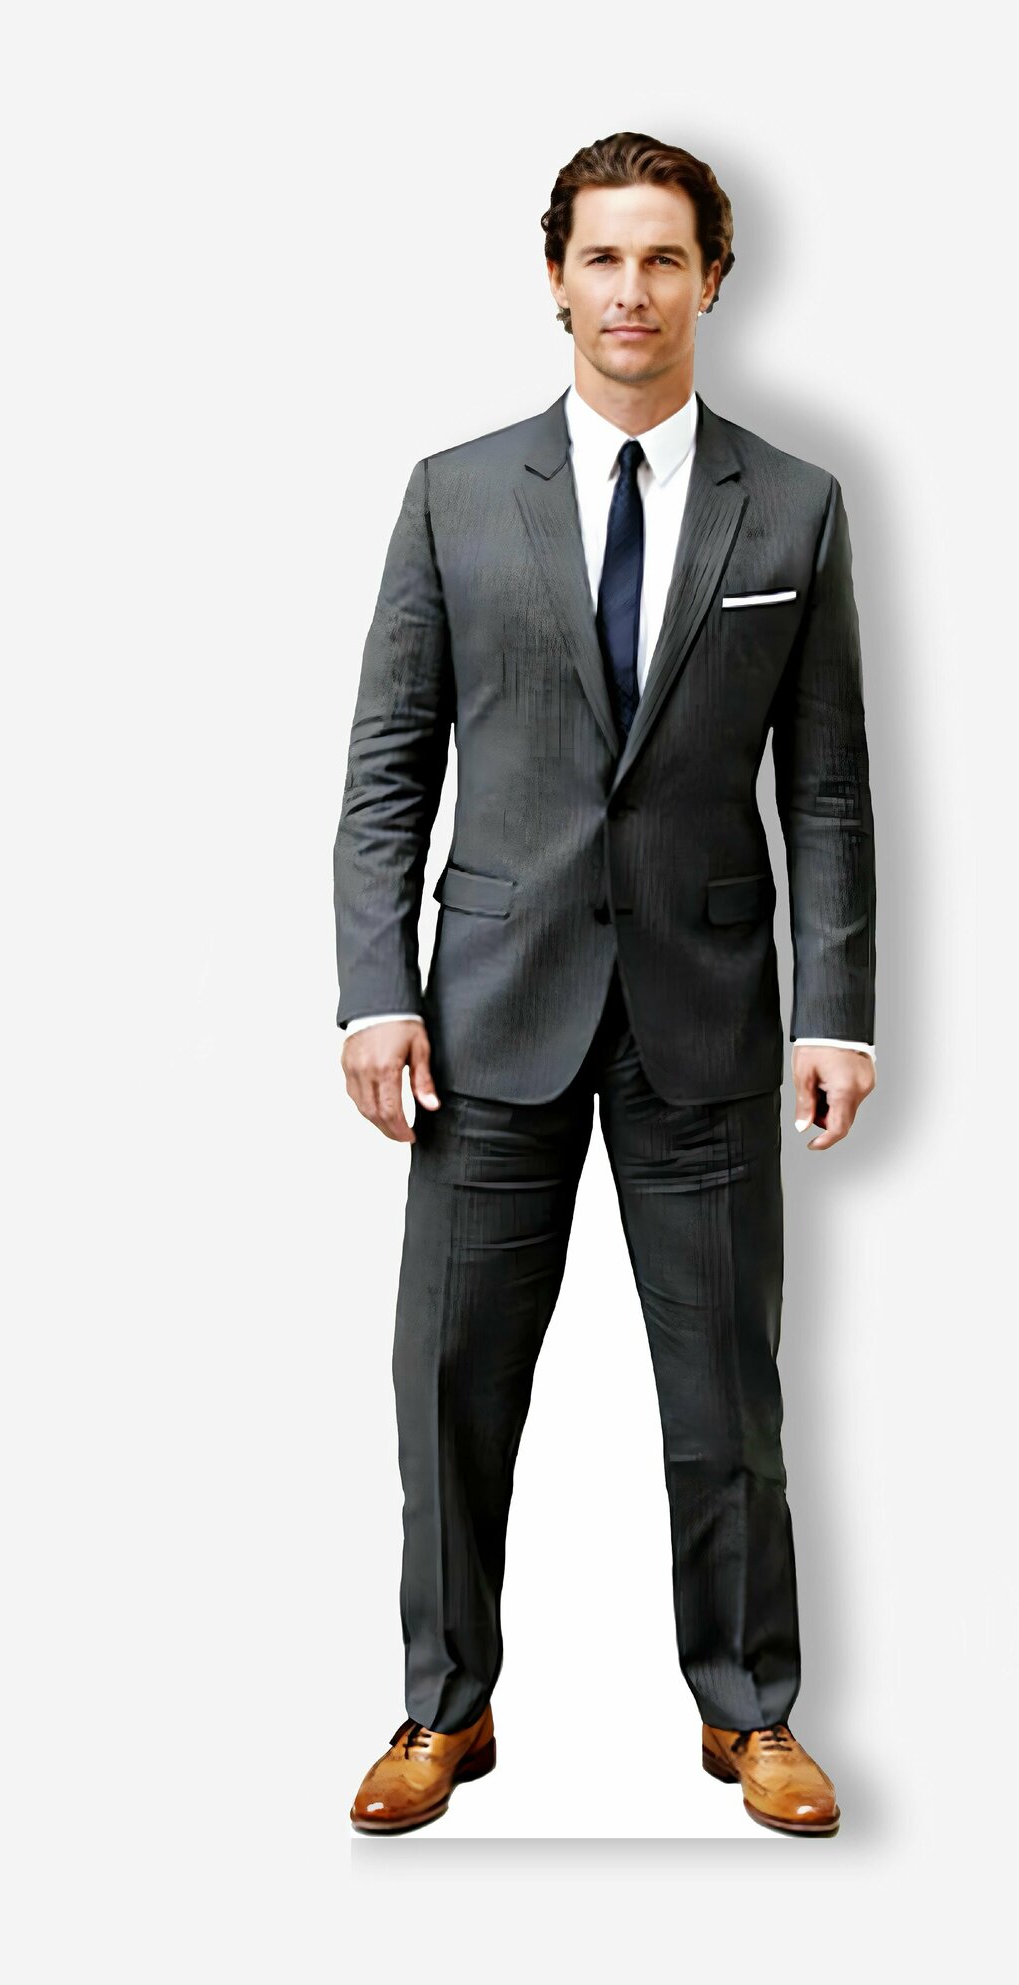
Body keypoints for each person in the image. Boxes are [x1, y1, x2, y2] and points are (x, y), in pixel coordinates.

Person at [333, 131, 877, 1837]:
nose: (630, 291)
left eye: (662, 259)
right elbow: (389, 764)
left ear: (713, 278)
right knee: (451, 1384)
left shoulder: (794, 504)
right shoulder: (453, 492)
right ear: (555, 277)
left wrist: (835, 1009)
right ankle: (444, 1707)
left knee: (729, 1396)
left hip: (706, 1014)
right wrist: (374, 989)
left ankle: (750, 1713)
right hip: (487, 1014)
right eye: (601, 258)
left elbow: (828, 785)